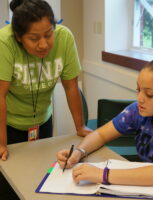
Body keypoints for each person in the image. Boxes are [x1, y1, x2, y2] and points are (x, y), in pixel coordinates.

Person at [57, 52, 153, 200]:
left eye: (149, 94)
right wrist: (79, 152)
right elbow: (101, 134)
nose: (140, 98)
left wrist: (103, 174)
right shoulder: (138, 110)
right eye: (139, 90)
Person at [0, 0, 92, 162]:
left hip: (43, 120)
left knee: (40, 169)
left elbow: (71, 87)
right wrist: (1, 143)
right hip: (8, 124)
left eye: (49, 35)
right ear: (18, 37)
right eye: (34, 39)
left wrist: (80, 127)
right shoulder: (5, 42)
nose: (43, 45)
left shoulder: (64, 38)